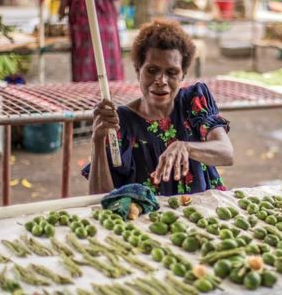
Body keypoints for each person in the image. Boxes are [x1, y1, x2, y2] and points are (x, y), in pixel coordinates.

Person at [84, 20, 234, 196]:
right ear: (138, 70)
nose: (161, 80)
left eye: (171, 72)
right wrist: (97, 141)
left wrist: (186, 147)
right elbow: (101, 197)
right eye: (152, 70)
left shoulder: (193, 101)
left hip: (203, 214)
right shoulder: (119, 123)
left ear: (183, 75)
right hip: (150, 220)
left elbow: (226, 153)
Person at [56, 0, 124, 82]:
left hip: (84, 28)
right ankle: (109, 92)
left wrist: (62, 14)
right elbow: (116, 6)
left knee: (84, 64)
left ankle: (87, 97)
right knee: (106, 60)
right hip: (108, 27)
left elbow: (61, 7)